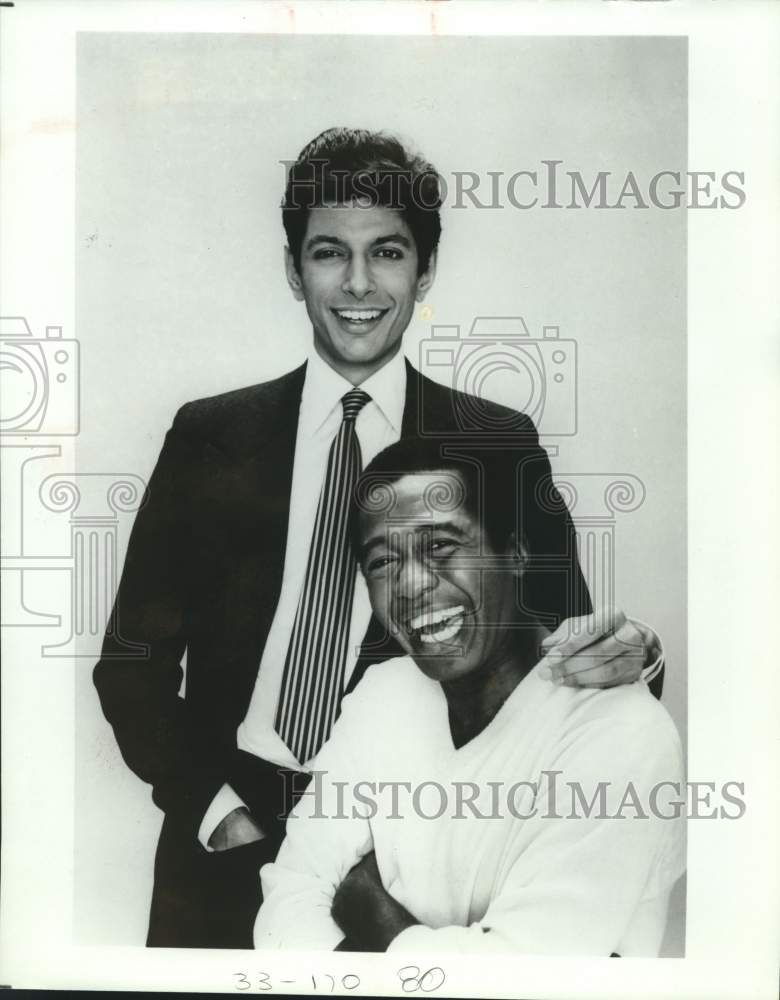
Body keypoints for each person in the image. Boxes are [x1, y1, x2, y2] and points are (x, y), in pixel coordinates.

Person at [93, 127, 663, 949]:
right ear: (295, 271)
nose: (358, 284)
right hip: (223, 842)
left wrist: (636, 656)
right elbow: (132, 665)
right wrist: (221, 816)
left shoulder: (494, 441)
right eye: (329, 253)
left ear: (424, 271)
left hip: (413, 856)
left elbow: (558, 649)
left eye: (388, 253)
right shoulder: (210, 434)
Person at [255, 438, 685, 955]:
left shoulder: (617, 731)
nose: (411, 584)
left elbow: (515, 981)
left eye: (441, 546)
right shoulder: (384, 694)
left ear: (516, 551)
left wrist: (368, 906)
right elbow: (288, 901)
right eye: (382, 562)